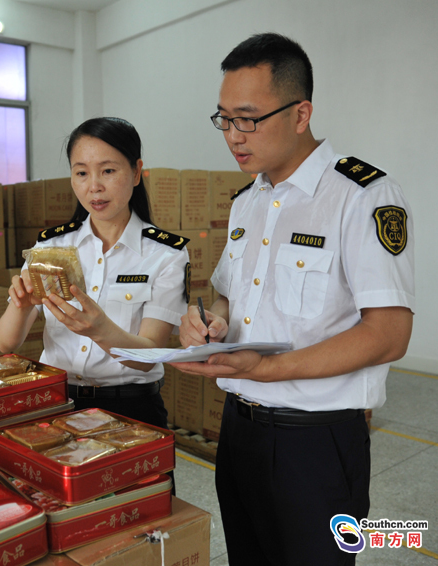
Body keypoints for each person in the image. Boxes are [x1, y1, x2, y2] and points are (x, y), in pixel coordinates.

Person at [172, 33, 414, 565]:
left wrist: (266, 370)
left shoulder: (362, 196)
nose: (234, 135)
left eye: (249, 118)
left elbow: (389, 334)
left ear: (301, 113)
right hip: (239, 432)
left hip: (317, 445)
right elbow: (231, 304)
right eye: (223, 119)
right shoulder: (247, 203)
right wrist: (207, 326)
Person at [0, 117, 190, 432]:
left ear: (136, 172)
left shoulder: (165, 254)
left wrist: (100, 330)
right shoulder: (49, 247)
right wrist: (22, 304)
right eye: (81, 173)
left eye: (108, 171)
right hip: (57, 404)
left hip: (131, 409)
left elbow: (149, 355)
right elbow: (6, 343)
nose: (94, 186)